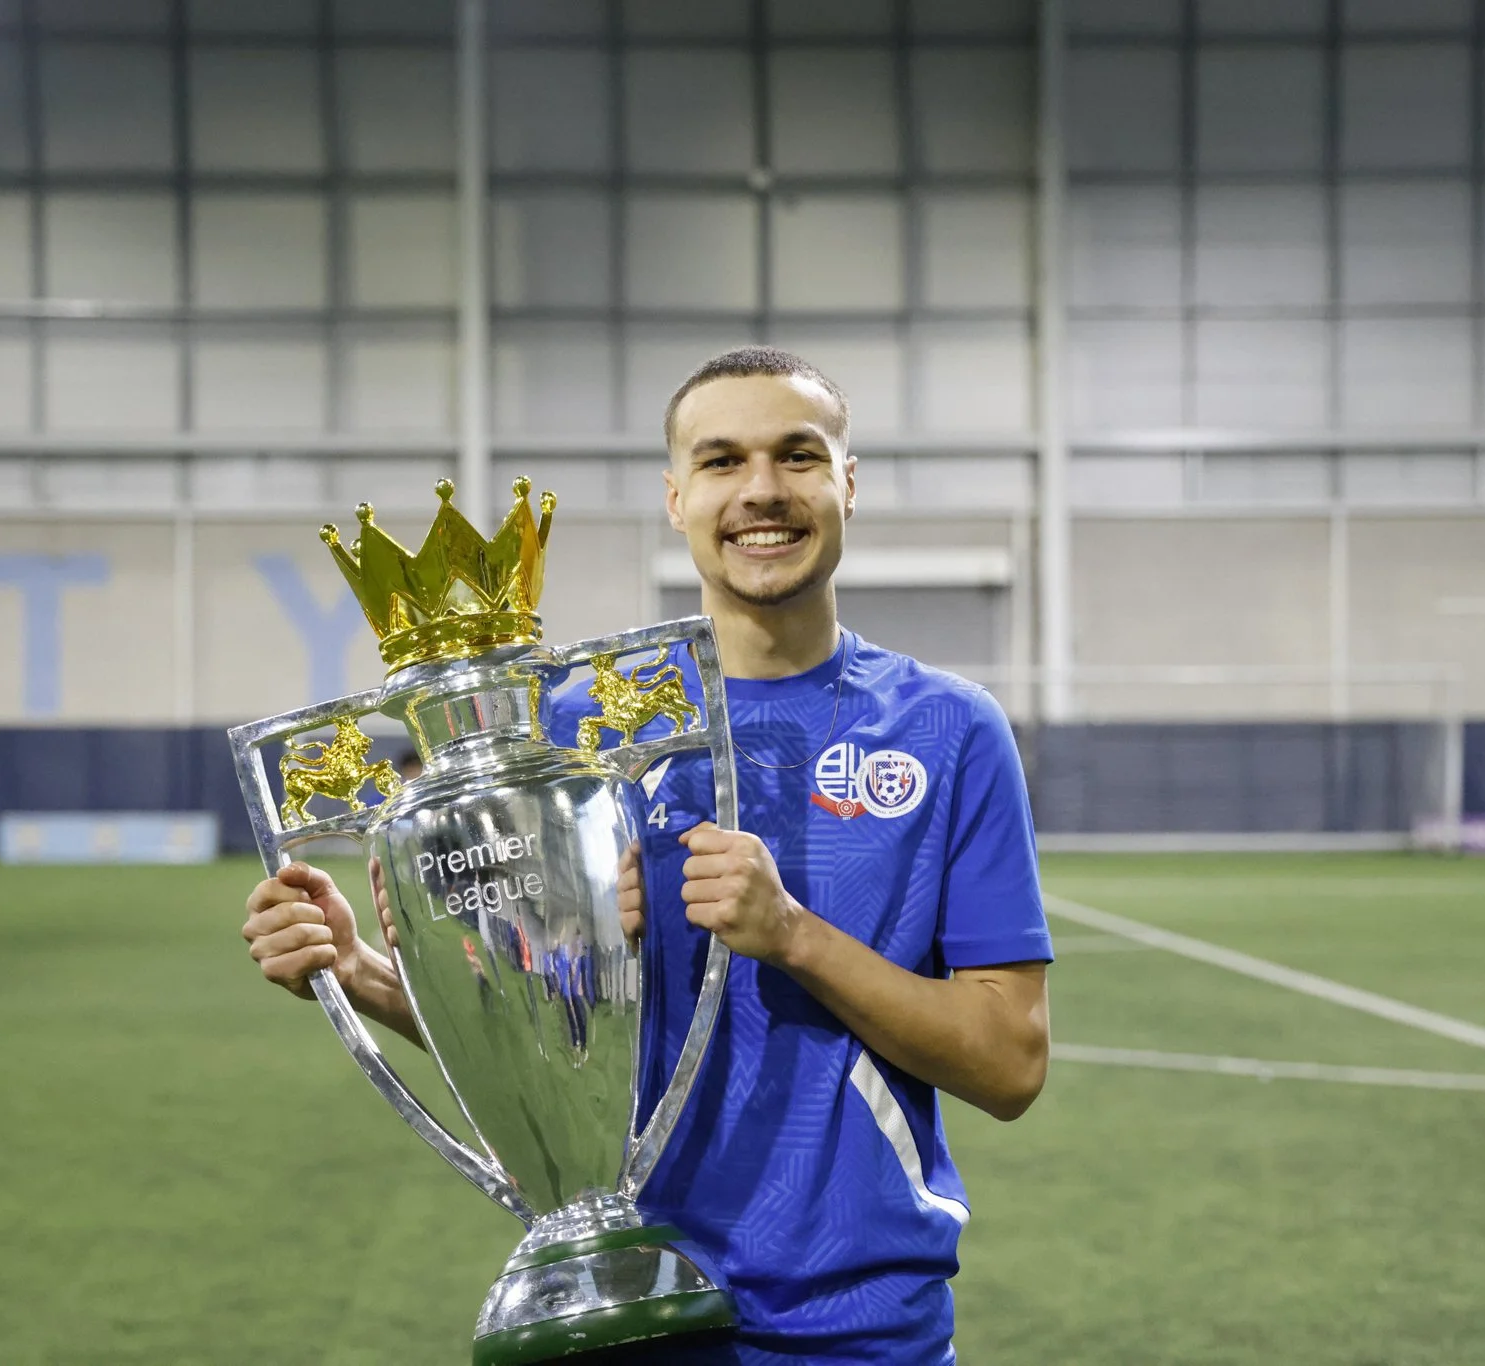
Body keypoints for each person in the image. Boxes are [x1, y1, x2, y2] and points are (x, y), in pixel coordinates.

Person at [242, 347, 1053, 1364]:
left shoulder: (947, 730)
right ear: (676, 499)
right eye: (721, 462)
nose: (761, 489)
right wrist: (358, 972)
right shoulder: (566, 742)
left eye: (797, 456)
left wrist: (791, 935)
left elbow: (1008, 1062)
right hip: (623, 1311)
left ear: (847, 482)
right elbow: (545, 1045)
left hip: (854, 1327)